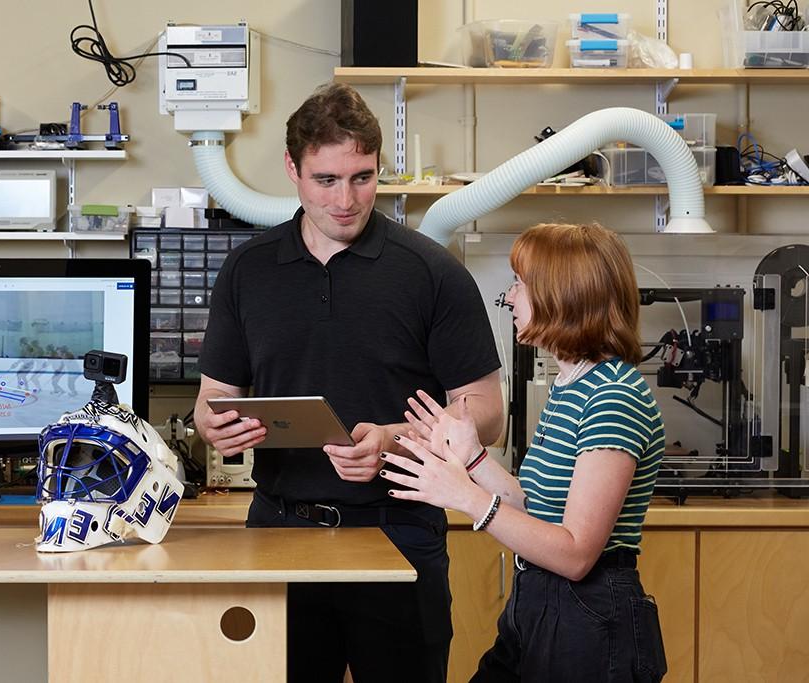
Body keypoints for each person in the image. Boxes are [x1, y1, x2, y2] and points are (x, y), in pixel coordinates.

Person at [194, 82, 503, 683]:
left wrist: (396, 441)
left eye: (362, 178)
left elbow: (487, 411)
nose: (345, 200)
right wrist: (215, 424)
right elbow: (216, 397)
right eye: (326, 180)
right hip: (279, 531)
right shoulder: (247, 270)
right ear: (292, 168)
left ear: (379, 167)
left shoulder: (432, 272)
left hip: (399, 530)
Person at [382, 223, 669, 682]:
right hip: (537, 603)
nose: (510, 298)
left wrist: (467, 497)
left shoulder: (614, 395)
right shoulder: (571, 385)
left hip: (589, 618)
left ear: (562, 296)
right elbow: (534, 507)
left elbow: (576, 555)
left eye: (520, 284)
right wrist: (471, 459)